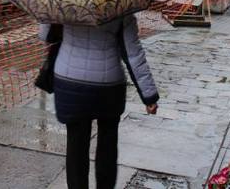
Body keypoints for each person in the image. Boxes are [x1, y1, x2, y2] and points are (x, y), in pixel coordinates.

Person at [39, 16, 158, 189]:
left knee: (76, 146)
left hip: (70, 81)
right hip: (108, 85)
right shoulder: (122, 4)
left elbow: (45, 35)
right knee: (108, 146)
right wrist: (149, 96)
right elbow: (133, 54)